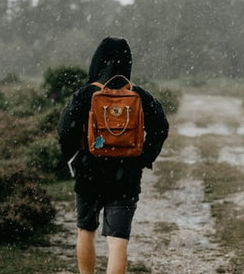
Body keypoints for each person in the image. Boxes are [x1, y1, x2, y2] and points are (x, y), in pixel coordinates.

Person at [57, 36, 169, 274]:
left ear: (97, 61)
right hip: (126, 175)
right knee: (118, 241)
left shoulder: (85, 94)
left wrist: (75, 158)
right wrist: (142, 158)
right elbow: (161, 128)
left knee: (85, 230)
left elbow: (65, 130)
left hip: (89, 171)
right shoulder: (139, 95)